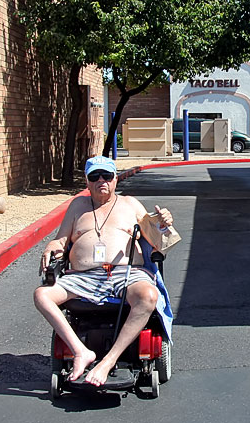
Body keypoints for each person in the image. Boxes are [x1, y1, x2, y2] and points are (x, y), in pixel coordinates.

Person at [33, 156, 173, 387]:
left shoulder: (130, 204)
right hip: (82, 277)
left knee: (148, 296)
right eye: (94, 176)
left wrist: (164, 224)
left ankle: (108, 361)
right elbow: (61, 240)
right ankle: (81, 352)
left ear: (115, 179)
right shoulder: (77, 206)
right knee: (42, 295)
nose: (101, 181)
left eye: (107, 176)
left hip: (126, 274)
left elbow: (160, 243)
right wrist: (51, 247)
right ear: (87, 182)